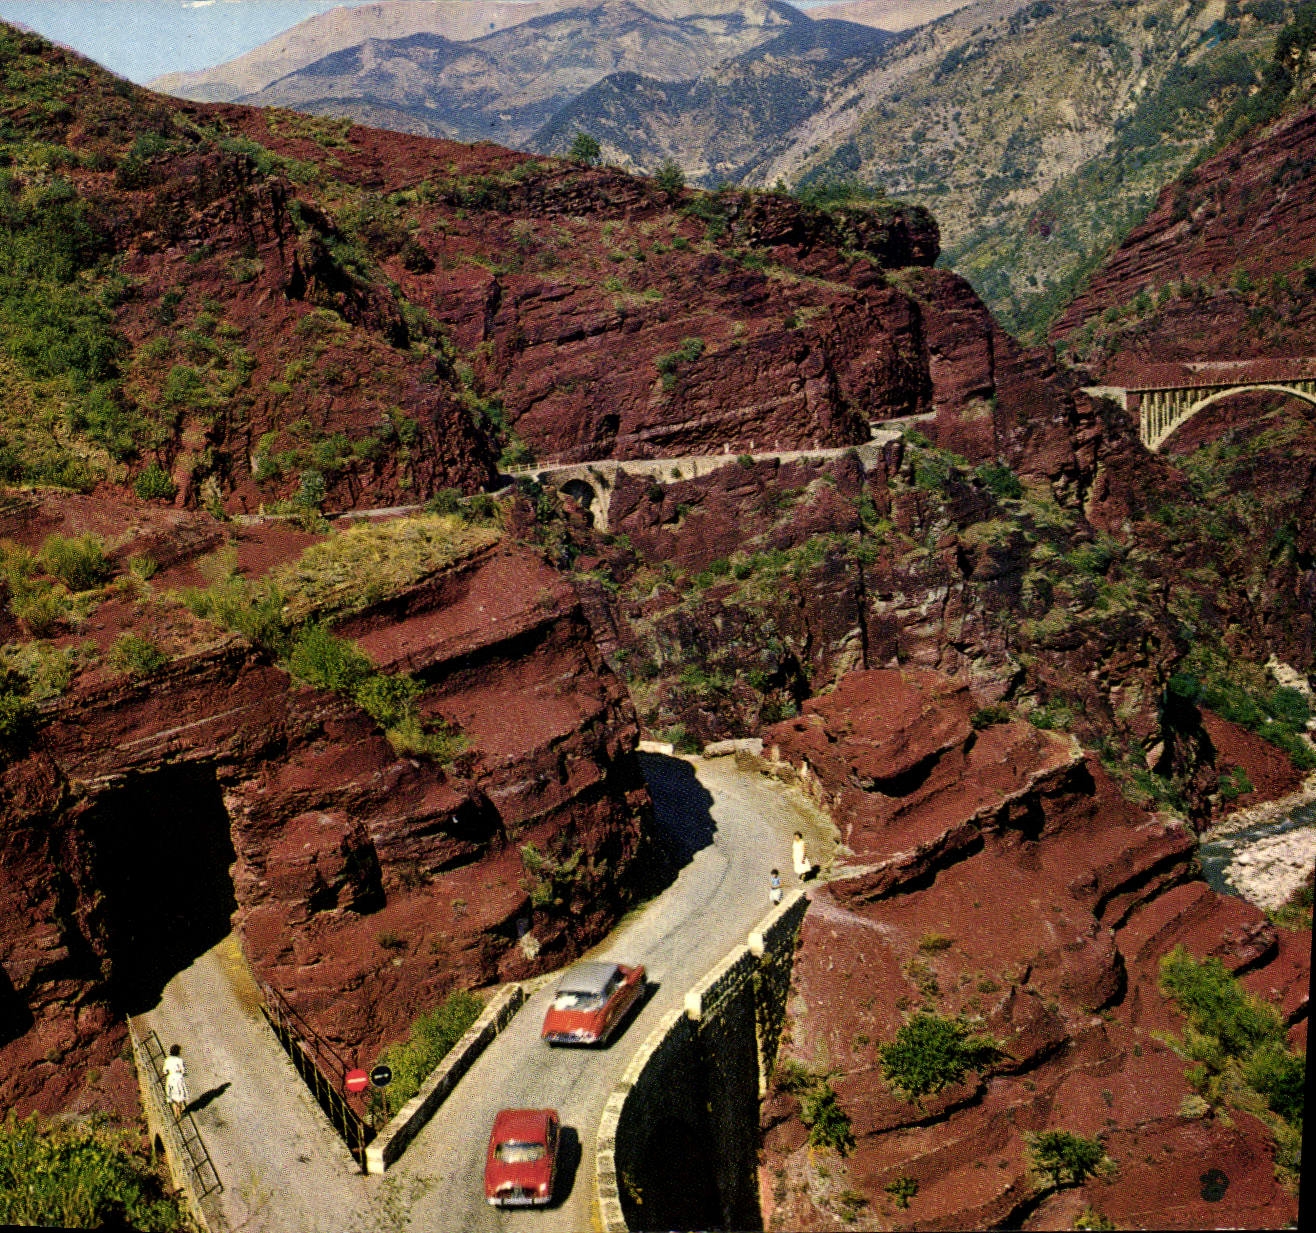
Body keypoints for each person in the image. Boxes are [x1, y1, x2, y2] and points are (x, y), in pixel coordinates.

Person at [163, 1044, 188, 1120]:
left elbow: (164, 1071)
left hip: (170, 1078)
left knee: (172, 1096)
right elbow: (183, 1070)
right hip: (178, 1079)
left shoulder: (167, 1060)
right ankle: (179, 1112)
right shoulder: (179, 1060)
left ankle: (175, 1113)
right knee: (179, 1096)